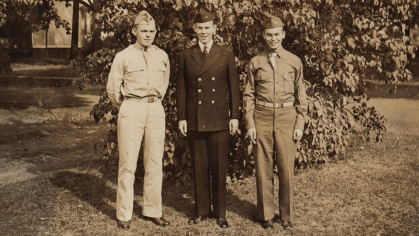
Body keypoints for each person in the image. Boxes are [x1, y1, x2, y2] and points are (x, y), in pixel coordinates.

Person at [176, 8, 241, 229]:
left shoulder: (226, 53)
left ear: (214, 29)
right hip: (195, 118)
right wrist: (182, 117)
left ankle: (220, 213)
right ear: (194, 29)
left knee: (219, 166)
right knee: (200, 165)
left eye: (207, 28)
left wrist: (235, 116)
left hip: (220, 118)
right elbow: (181, 89)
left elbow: (234, 88)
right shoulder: (186, 55)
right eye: (200, 28)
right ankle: (202, 211)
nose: (203, 32)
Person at [106, 10, 171, 230]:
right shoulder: (123, 56)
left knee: (154, 162)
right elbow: (113, 90)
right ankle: (124, 214)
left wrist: (155, 99)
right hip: (132, 108)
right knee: (128, 164)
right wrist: (126, 106)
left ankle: (153, 210)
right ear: (134, 31)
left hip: (155, 109)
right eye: (143, 31)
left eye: (152, 31)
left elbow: (165, 82)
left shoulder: (162, 55)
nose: (148, 35)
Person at [243, 17, 308, 230]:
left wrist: (300, 124)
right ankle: (266, 216)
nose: (273, 38)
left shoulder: (293, 61)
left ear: (283, 35)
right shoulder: (255, 62)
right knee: (263, 168)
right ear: (264, 36)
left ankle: (286, 216)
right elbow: (248, 95)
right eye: (269, 34)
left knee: (286, 168)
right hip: (262, 116)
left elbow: (301, 96)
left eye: (277, 34)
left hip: (287, 117)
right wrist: (250, 124)